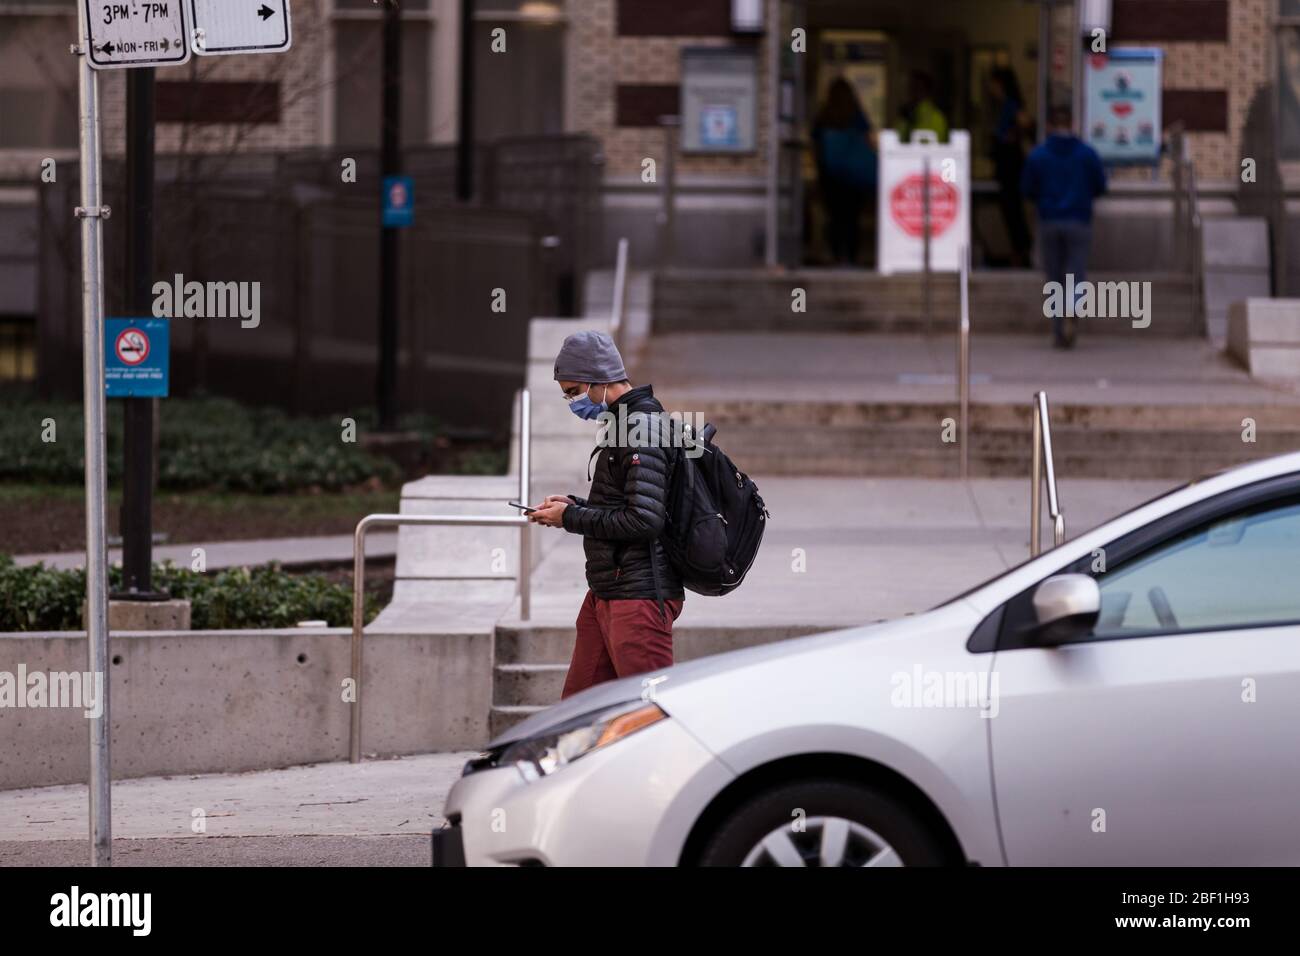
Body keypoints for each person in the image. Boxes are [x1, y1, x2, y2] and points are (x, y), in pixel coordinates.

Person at [526, 330, 685, 699]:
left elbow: (644, 520)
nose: (571, 401)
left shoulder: (641, 429)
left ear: (598, 381)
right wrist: (574, 507)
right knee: (578, 712)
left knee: (651, 713)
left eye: (572, 391)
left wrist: (569, 519)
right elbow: (625, 505)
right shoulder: (622, 426)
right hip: (607, 591)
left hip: (639, 597)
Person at [1022, 105, 1108, 348]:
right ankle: (1073, 309)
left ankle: (1059, 328)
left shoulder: (1038, 155)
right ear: (1072, 124)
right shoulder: (1087, 154)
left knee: (1054, 276)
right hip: (1079, 220)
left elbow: (1027, 188)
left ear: (1049, 126)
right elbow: (1100, 185)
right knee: (1076, 272)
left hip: (1049, 220)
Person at [813, 78, 876, 265]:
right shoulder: (856, 115)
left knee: (835, 217)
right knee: (852, 218)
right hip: (854, 176)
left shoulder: (825, 115)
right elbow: (868, 141)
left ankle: (837, 255)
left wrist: (821, 169)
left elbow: (816, 144)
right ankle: (850, 257)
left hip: (831, 176)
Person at [988, 67, 1033, 267]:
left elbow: (1027, 125)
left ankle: (1022, 251)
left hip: (1011, 165)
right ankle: (1019, 250)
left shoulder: (1012, 106)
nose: (992, 88)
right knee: (1009, 210)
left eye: (994, 83)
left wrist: (1013, 136)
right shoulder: (1001, 106)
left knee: (1013, 210)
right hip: (1005, 164)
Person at [895, 70, 949, 143]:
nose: (910, 92)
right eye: (909, 88)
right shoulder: (909, 114)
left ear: (926, 91)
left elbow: (923, 145)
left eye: (915, 88)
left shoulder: (934, 117)